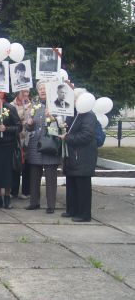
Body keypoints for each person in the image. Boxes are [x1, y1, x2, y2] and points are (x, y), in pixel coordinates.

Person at [61, 93, 98, 222]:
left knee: (82, 186)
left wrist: (68, 138)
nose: (74, 101)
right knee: (71, 184)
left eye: (76, 99)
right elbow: (68, 128)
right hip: (72, 155)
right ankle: (72, 210)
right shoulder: (75, 114)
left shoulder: (89, 116)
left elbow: (87, 135)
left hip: (83, 155)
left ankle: (84, 213)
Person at [25, 82, 60, 213]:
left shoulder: (56, 105)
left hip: (50, 144)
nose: (42, 90)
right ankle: (34, 202)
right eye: (40, 88)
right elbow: (29, 127)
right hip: (35, 145)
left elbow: (60, 126)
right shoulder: (34, 105)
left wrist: (51, 119)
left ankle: (51, 205)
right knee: (34, 176)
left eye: (45, 88)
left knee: (51, 177)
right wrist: (29, 124)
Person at [11, 89, 32, 200]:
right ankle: (13, 190)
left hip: (28, 139)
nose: (25, 94)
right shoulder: (11, 105)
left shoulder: (33, 106)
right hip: (16, 139)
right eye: (23, 92)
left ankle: (26, 191)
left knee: (27, 166)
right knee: (15, 164)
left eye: (27, 92)